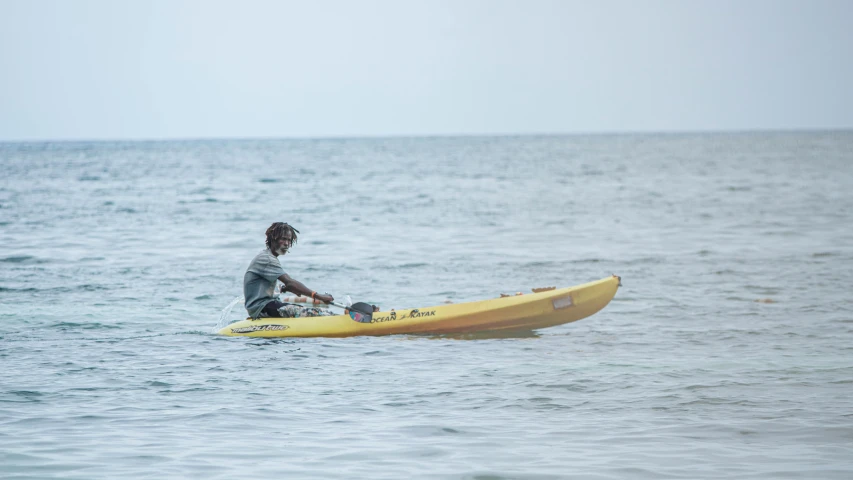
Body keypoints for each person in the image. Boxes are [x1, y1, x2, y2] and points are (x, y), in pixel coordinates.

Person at [243, 222, 335, 319]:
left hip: (267, 305)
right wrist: (319, 296)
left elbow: (263, 285)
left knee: (303, 309)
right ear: (273, 238)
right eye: (283, 239)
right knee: (314, 312)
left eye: (289, 240)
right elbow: (290, 282)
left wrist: (284, 288)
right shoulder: (267, 259)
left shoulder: (268, 256)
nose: (287, 243)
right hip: (262, 308)